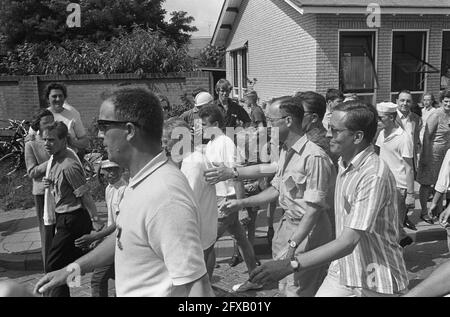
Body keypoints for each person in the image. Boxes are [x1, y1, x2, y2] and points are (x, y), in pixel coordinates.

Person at [34, 86, 213, 297]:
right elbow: (123, 235)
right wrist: (71, 269)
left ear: (129, 130)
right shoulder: (139, 180)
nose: (100, 135)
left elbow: (197, 287)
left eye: (103, 125)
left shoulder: (165, 196)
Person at [249, 101, 409, 297]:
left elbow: (349, 241)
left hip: (374, 278)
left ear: (357, 136)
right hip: (343, 269)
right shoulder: (343, 162)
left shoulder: (372, 175)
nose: (327, 134)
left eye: (335, 130)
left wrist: (292, 264)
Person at [221, 96, 335, 297]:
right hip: (288, 227)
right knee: (284, 286)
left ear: (288, 120)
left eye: (271, 121)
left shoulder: (314, 156)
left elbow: (314, 210)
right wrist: (241, 203)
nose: (267, 127)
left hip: (307, 233)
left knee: (297, 289)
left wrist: (292, 245)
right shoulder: (286, 150)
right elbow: (276, 189)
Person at [198, 105, 260, 292]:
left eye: (204, 124)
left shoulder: (225, 143)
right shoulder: (211, 143)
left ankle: (204, 288)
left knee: (206, 244)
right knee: (241, 240)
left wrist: (240, 208)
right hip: (218, 199)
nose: (201, 128)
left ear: (216, 124)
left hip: (226, 200)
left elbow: (236, 175)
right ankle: (255, 277)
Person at [41, 121, 101, 297]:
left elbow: (84, 194)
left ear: (63, 140)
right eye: (44, 140)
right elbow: (61, 184)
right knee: (67, 263)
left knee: (53, 264)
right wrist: (50, 183)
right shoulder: (56, 159)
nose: (46, 144)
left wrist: (96, 221)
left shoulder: (69, 164)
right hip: (62, 216)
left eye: (51, 140)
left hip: (72, 218)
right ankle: (69, 289)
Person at [162, 119, 218, 280]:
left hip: (196, 235)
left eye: (166, 141)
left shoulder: (192, 163)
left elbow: (185, 203)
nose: (164, 145)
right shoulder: (190, 159)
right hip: (203, 231)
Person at [74, 160, 127, 297]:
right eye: (108, 170)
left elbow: (119, 222)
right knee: (120, 279)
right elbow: (111, 221)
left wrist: (95, 237)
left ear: (122, 170)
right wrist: (101, 237)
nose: (111, 174)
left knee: (98, 279)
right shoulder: (109, 189)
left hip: (121, 241)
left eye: (115, 169)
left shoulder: (124, 190)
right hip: (112, 241)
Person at [375, 102, 416, 246]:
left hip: (399, 187)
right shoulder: (381, 133)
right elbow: (380, 157)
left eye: (381, 118)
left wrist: (410, 194)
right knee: (386, 222)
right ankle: (403, 239)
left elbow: (409, 167)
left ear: (391, 117)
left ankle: (397, 257)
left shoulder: (404, 138)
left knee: (394, 225)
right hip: (383, 183)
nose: (378, 121)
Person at [24, 109, 55, 272]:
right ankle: (48, 271)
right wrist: (50, 161)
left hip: (60, 192)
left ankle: (64, 271)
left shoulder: (56, 139)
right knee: (47, 235)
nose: (50, 124)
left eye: (52, 121)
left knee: (61, 235)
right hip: (42, 194)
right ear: (37, 125)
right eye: (46, 122)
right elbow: (31, 172)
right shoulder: (30, 144)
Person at [417, 89, 450, 223]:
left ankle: (437, 210)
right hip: (432, 153)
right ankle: (424, 212)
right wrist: (425, 155)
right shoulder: (436, 115)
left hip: (446, 154)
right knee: (426, 183)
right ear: (442, 101)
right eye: (446, 101)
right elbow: (426, 136)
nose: (449, 104)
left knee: (440, 183)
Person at [43, 83, 89, 155]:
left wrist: (72, 142)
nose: (58, 99)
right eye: (54, 96)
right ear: (48, 98)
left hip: (69, 158)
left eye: (60, 96)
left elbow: (85, 142)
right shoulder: (43, 116)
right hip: (47, 159)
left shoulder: (73, 113)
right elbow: (31, 137)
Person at [395, 90, 422, 176]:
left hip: (410, 159)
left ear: (412, 103)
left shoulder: (416, 118)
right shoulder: (390, 117)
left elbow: (418, 140)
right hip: (394, 159)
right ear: (397, 101)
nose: (405, 103)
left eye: (408, 101)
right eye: (402, 100)